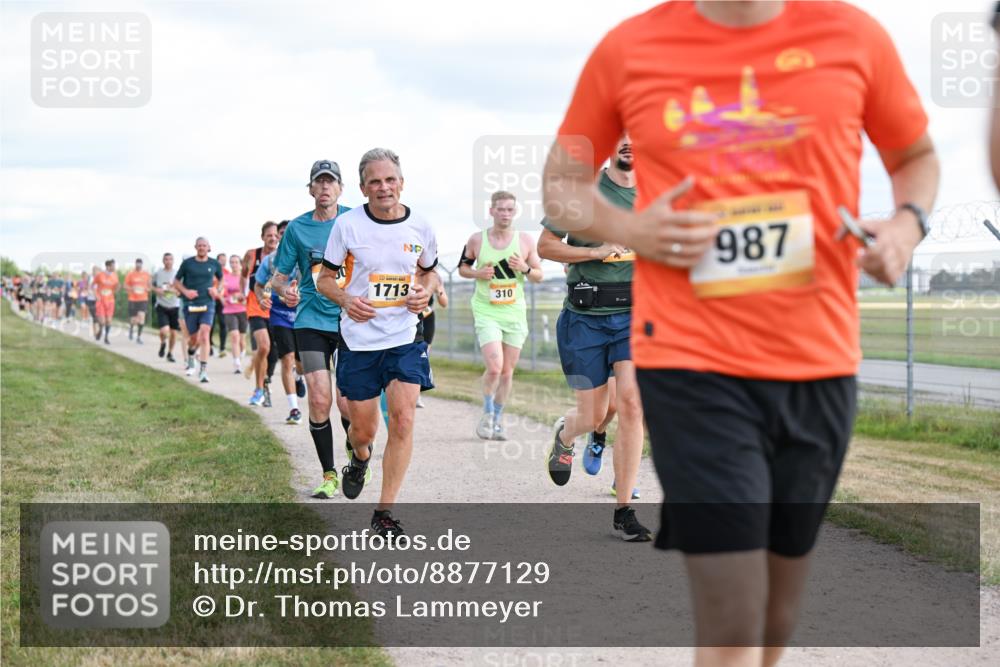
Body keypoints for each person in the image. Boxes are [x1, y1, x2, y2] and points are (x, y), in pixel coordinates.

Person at [544, 1, 938, 664]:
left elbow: (917, 155)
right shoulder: (630, 47)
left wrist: (905, 226)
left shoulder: (853, 35)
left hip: (817, 360)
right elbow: (560, 186)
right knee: (732, 605)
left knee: (776, 610)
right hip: (689, 359)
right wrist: (634, 228)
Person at [317, 147, 438, 537]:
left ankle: (384, 512)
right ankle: (360, 458)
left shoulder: (420, 225)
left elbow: (430, 273)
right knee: (363, 431)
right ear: (363, 187)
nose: (384, 187)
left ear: (401, 183)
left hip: (404, 337)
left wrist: (425, 292)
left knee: (403, 420)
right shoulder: (348, 226)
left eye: (390, 180)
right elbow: (325, 280)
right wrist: (346, 300)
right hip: (359, 341)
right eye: (375, 181)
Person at [538, 134, 647, 526]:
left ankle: (624, 511)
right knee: (594, 413)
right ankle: (567, 436)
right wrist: (593, 251)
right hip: (585, 316)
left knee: (632, 405)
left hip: (634, 315)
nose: (630, 142)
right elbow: (546, 246)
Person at [272, 160, 352, 499]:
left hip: (351, 319)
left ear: (340, 189)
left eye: (330, 182)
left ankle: (358, 455)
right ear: (310, 190)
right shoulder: (297, 229)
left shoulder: (356, 220)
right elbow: (278, 277)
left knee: (348, 404)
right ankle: (330, 474)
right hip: (310, 320)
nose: (324, 188)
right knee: (320, 397)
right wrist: (284, 289)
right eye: (318, 183)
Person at [458, 191, 543, 440]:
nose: (505, 214)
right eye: (501, 209)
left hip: (514, 313)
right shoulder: (477, 240)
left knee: (507, 371)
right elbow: (463, 268)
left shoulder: (525, 240)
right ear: (491, 211)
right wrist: (477, 274)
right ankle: (486, 413)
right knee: (495, 368)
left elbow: (539, 275)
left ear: (515, 212)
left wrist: (525, 268)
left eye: (510, 210)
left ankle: (497, 418)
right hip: (486, 311)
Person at [256, 220, 306, 425]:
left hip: (303, 315)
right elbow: (260, 285)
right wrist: (262, 298)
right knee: (287, 358)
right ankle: (294, 409)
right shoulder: (270, 261)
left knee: (301, 365)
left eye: (288, 233)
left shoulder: (304, 259)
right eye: (281, 233)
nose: (283, 236)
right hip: (279, 315)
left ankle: (298, 376)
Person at [175, 238, 224, 383]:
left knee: (204, 334)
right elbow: (176, 281)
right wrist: (186, 292)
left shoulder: (214, 263)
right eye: (200, 245)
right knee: (193, 339)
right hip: (190, 304)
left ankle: (203, 371)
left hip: (208, 303)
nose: (202, 248)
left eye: (204, 246)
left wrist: (217, 289)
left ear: (209, 247)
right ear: (195, 247)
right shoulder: (188, 263)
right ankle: (191, 355)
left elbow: (221, 280)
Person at [242, 223, 279, 406]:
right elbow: (243, 274)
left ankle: (265, 380)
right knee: (263, 347)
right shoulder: (252, 254)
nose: (272, 238)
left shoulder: (282, 257)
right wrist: (243, 292)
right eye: (269, 235)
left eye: (275, 235)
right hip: (255, 306)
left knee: (273, 353)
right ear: (262, 237)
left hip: (276, 308)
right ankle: (258, 390)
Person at [414, 269, 448, 408]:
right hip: (410, 318)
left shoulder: (434, 276)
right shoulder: (407, 269)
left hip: (427, 318)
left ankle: (417, 394)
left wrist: (439, 290)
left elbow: (444, 303)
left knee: (423, 356)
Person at [222, 255, 248, 374]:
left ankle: (242, 352)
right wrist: (226, 297)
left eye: (236, 262)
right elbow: (221, 292)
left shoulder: (245, 278)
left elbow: (248, 294)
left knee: (242, 339)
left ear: (240, 263)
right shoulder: (225, 277)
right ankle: (236, 363)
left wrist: (242, 297)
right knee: (234, 336)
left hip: (243, 309)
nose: (233, 264)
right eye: (231, 262)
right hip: (229, 310)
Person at [153, 253, 181, 362]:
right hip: (162, 305)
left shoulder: (177, 274)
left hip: (175, 306)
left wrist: (172, 290)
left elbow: (180, 291)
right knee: (164, 331)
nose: (168, 261)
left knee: (174, 333)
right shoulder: (158, 273)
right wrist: (157, 290)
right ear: (163, 261)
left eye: (170, 259)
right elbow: (150, 285)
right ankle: (163, 343)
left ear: (173, 261)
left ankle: (170, 353)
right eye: (166, 259)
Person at [124, 258, 152, 344]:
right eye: (137, 264)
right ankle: (131, 329)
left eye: (140, 264)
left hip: (143, 299)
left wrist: (147, 289)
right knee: (133, 319)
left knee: (141, 317)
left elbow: (150, 287)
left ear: (142, 265)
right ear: (135, 264)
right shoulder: (130, 274)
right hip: (132, 299)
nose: (138, 265)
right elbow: (125, 286)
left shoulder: (146, 274)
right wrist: (131, 288)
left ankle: (139, 337)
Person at [93, 260, 119, 344]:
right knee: (102, 321)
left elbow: (115, 288)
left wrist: (117, 288)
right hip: (101, 301)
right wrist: (96, 294)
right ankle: (100, 330)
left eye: (114, 266)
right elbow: (93, 285)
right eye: (113, 266)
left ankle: (106, 338)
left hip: (110, 301)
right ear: (108, 267)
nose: (114, 267)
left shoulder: (115, 276)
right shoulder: (100, 275)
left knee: (109, 321)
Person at [214, 252, 229, 357]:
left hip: (223, 301)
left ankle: (222, 347)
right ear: (217, 260)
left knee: (223, 324)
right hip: (212, 299)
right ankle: (209, 344)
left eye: (225, 259)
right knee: (210, 324)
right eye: (221, 259)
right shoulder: (213, 271)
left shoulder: (228, 272)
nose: (223, 261)